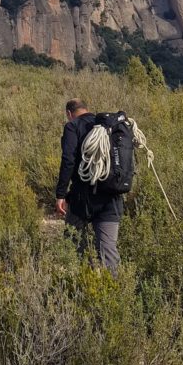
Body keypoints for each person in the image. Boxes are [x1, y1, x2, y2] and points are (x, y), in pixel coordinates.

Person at [55, 98, 122, 274]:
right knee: (108, 251)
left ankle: (79, 285)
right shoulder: (107, 127)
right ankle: (114, 292)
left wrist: (61, 194)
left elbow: (68, 161)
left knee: (73, 244)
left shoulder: (72, 126)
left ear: (69, 114)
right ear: (87, 109)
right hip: (111, 198)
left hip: (82, 199)